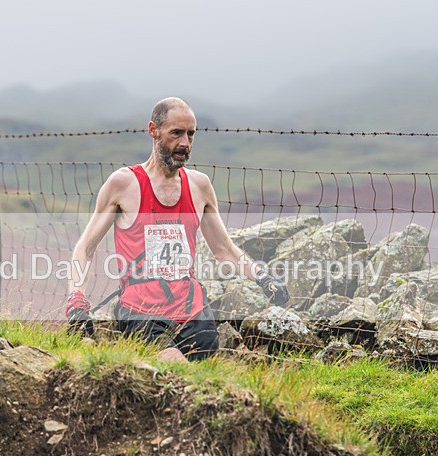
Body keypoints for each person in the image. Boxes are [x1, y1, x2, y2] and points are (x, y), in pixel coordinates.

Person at [65, 97, 289, 362]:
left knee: (205, 380)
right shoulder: (123, 184)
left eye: (191, 134)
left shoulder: (199, 186)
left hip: (193, 311)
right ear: (153, 130)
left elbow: (224, 250)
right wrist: (76, 302)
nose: (185, 143)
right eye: (176, 133)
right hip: (141, 312)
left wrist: (263, 277)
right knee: (172, 367)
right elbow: (85, 248)